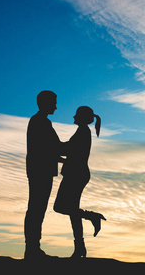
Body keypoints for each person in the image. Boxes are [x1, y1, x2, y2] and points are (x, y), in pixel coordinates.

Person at [53, 106, 106, 258]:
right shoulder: (82, 132)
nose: (73, 117)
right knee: (72, 211)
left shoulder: (82, 132)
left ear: (82, 117)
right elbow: (72, 153)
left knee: (60, 207)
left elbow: (67, 150)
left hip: (75, 175)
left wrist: (53, 143)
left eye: (76, 114)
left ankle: (91, 217)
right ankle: (80, 248)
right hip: (77, 173)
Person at [24, 90, 63, 259]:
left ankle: (33, 248)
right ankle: (32, 249)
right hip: (40, 171)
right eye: (53, 102)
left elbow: (52, 149)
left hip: (40, 170)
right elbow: (53, 148)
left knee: (37, 208)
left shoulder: (41, 122)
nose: (55, 105)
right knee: (36, 209)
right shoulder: (40, 122)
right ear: (45, 103)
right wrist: (76, 148)